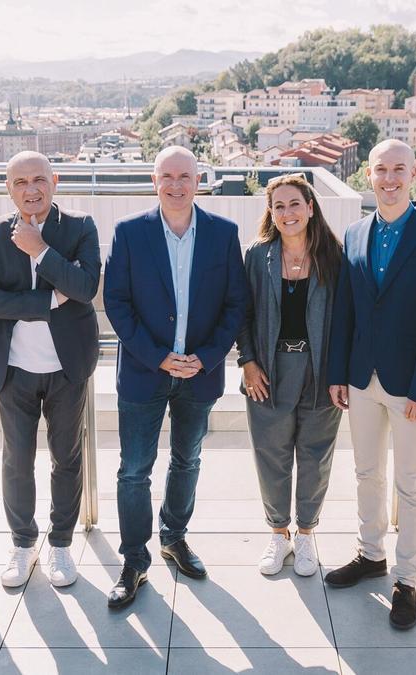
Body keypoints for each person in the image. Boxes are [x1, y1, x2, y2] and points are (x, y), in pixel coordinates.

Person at [324, 139, 416, 630]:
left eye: (398, 169)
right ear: (368, 174)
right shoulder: (355, 232)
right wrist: (337, 371)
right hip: (362, 379)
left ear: (414, 173)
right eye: (381, 169)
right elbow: (347, 309)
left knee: (411, 484)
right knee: (366, 473)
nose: (389, 179)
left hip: (412, 389)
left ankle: (406, 580)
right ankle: (371, 555)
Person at [102, 146, 246, 608]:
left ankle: (174, 536)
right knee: (133, 471)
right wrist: (159, 356)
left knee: (188, 461)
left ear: (199, 180)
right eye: (168, 176)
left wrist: (204, 357)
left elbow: (235, 305)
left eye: (185, 176)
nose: (176, 185)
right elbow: (117, 304)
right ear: (154, 180)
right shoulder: (128, 233)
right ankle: (134, 560)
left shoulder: (224, 234)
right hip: (145, 372)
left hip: (199, 374)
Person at [0, 151, 101, 589]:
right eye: (21, 182)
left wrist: (41, 251)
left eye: (39, 180)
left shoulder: (81, 227)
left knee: (67, 458)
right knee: (17, 460)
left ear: (55, 181)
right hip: (13, 369)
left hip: (68, 368)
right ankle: (23, 544)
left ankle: (61, 544)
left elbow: (85, 288)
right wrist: (48, 301)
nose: (31, 189)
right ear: (9, 189)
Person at [236, 173, 344, 577]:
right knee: (271, 455)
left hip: (320, 372)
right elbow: (241, 314)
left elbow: (345, 321)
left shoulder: (334, 256)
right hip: (268, 369)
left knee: (316, 457)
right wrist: (248, 361)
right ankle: (278, 534)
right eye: (278, 206)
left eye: (294, 204)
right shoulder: (256, 256)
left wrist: (340, 373)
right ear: (271, 212)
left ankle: (306, 535)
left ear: (311, 207)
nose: (287, 212)